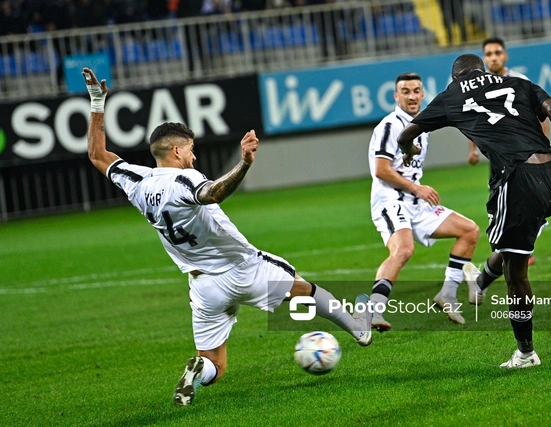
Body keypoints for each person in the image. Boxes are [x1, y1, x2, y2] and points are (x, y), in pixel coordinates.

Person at [82, 67, 373, 406]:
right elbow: (213, 193)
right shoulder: (185, 179)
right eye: (190, 149)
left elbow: (97, 154)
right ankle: (359, 330)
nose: (193, 155)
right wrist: (244, 164)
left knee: (216, 365)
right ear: (176, 151)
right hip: (242, 269)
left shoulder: (137, 182)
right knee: (305, 290)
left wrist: (98, 104)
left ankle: (197, 371)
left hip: (203, 287)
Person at [398, 54, 551, 368]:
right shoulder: (517, 81)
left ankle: (526, 353)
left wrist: (410, 152)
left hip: (517, 179)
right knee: (509, 245)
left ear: (456, 78)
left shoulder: (452, 95)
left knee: (516, 274)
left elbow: (405, 135)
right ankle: (479, 282)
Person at [469, 37, 551, 267]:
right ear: (484, 58)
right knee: (502, 204)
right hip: (500, 157)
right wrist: (473, 150)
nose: (494, 57)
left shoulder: (519, 81)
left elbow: (542, 115)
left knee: (544, 199)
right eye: (488, 54)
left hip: (527, 153)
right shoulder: (479, 86)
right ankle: (518, 249)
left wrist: (540, 146)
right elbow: (475, 120)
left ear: (505, 55)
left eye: (497, 52)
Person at [367, 72, 481, 329]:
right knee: (404, 250)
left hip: (415, 202)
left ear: (422, 94)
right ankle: (372, 311)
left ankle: (447, 294)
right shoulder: (390, 126)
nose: (412, 96)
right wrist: (416, 188)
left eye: (416, 90)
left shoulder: (422, 125)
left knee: (469, 231)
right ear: (396, 97)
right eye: (405, 91)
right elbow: (381, 170)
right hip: (390, 199)